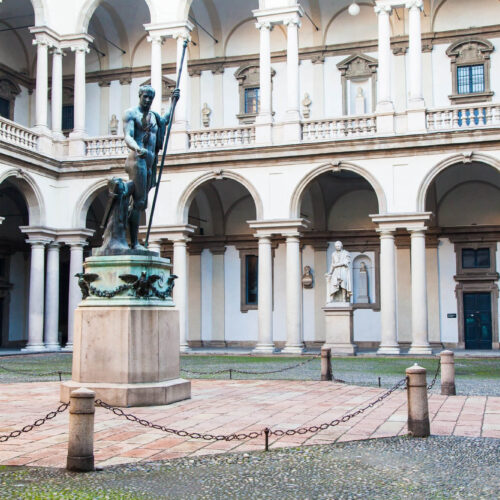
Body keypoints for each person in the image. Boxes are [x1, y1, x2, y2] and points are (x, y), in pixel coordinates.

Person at [123, 85, 180, 250]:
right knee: (139, 202)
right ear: (139, 95)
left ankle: (130, 239)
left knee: (141, 203)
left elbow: (165, 120)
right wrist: (137, 148)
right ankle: (133, 243)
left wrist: (173, 102)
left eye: (150, 97)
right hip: (137, 159)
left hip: (150, 162)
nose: (147, 100)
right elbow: (128, 136)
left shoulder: (154, 117)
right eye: (145, 96)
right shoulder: (131, 113)